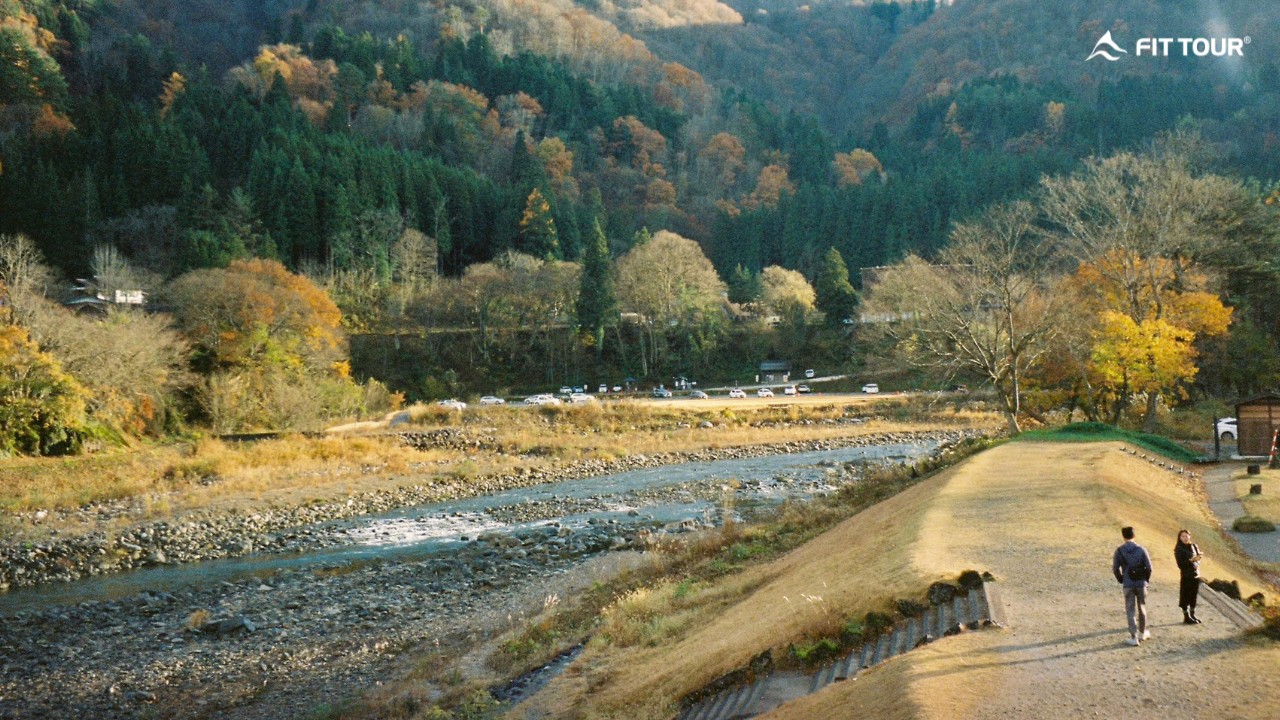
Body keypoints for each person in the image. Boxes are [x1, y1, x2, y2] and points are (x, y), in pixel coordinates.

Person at [1112, 526, 1152, 646]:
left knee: (1130, 609)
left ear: (1123, 536)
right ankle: (1142, 632)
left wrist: (1122, 579)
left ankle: (1133, 637)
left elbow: (1115, 568)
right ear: (1134, 535)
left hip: (1128, 583)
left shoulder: (1119, 550)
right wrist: (1146, 580)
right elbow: (1149, 568)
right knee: (1142, 607)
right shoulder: (1141, 549)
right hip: (1141, 583)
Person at [1174, 529, 1204, 624]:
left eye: (1186, 536)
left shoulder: (1194, 546)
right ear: (1179, 538)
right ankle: (1186, 616)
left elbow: (1198, 559)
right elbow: (1180, 564)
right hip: (1186, 576)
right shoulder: (1179, 549)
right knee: (1185, 596)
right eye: (1183, 536)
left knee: (1193, 596)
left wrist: (1198, 558)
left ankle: (1192, 614)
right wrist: (1191, 560)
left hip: (1195, 575)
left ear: (1189, 536)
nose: (1185, 538)